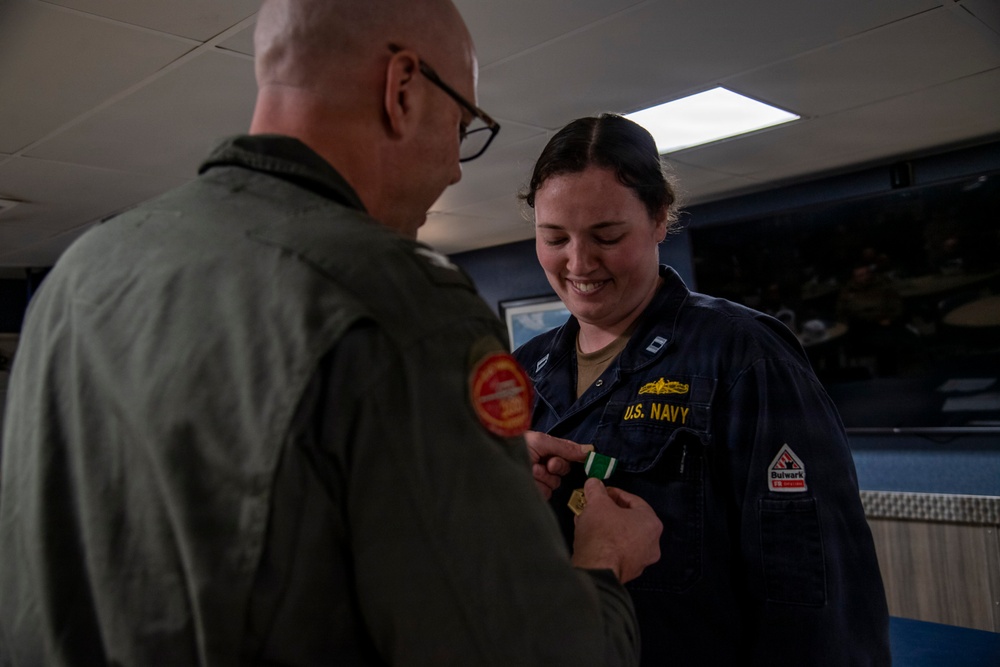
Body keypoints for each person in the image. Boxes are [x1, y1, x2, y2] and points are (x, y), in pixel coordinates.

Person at [0, 4, 663, 665]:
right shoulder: (400, 302)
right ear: (402, 88)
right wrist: (602, 558)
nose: (455, 170)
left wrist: (460, 470)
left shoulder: (78, 275)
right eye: (461, 128)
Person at [514, 114, 891, 666]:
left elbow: (814, 588)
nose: (579, 262)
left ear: (660, 217)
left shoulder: (744, 356)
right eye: (555, 238)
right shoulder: (521, 371)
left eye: (607, 236)